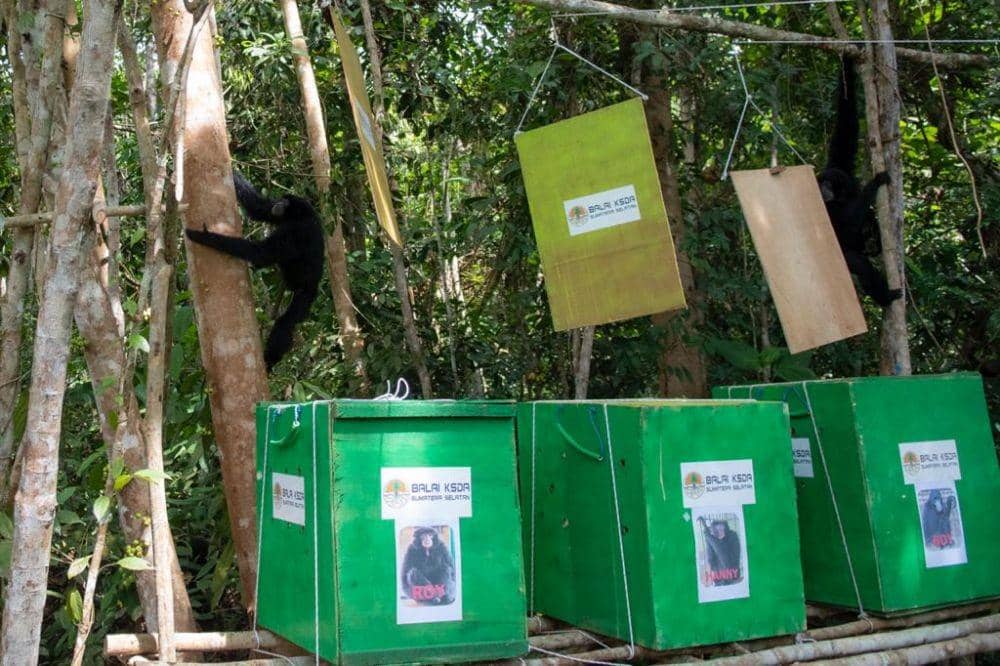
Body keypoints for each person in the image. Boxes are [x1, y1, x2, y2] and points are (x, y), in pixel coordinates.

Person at [401, 527, 456, 605]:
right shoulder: (412, 550)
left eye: (430, 536)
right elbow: (404, 574)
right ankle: (433, 596)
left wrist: (450, 591)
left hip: (439, 584)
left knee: (446, 569)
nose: (427, 539)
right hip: (423, 586)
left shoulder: (441, 547)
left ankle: (442, 596)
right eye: (423, 536)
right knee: (412, 573)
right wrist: (410, 593)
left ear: (434, 537)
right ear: (418, 539)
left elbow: (452, 570)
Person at [699, 517, 742, 586]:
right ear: (714, 531)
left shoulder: (732, 536)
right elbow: (710, 559)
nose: (720, 531)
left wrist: (708, 536)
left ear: (726, 528)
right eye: (717, 529)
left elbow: (725, 560)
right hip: (719, 579)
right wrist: (707, 534)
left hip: (733, 576)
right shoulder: (714, 540)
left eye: (722, 529)